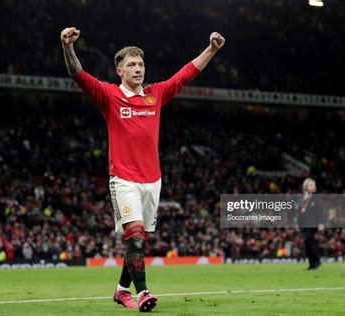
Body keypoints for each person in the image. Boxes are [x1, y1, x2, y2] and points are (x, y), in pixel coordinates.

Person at [61, 26, 225, 312]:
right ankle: (143, 292)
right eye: (131, 65)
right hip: (123, 178)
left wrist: (211, 49)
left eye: (141, 64)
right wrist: (67, 47)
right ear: (119, 71)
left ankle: (121, 290)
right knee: (135, 237)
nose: (138, 69)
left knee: (139, 241)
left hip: (153, 180)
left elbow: (186, 74)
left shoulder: (155, 95)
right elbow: (78, 74)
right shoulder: (109, 95)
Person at [297, 178, 325, 270]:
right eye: (311, 185)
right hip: (305, 224)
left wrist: (321, 223)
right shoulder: (302, 198)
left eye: (314, 185)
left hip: (313, 223)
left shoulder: (317, 198)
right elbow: (300, 212)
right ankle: (312, 263)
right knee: (307, 243)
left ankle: (317, 259)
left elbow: (321, 211)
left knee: (308, 239)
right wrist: (298, 223)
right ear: (305, 187)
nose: (314, 187)